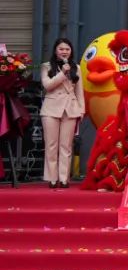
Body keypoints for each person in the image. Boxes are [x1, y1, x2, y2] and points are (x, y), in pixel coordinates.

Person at [40, 38, 84, 188]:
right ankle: (52, 178)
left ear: (71, 51)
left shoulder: (76, 67)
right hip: (51, 108)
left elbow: (80, 91)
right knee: (51, 145)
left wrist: (81, 109)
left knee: (66, 146)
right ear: (55, 51)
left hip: (70, 109)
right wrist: (62, 73)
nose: (64, 51)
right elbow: (47, 85)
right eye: (61, 49)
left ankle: (64, 178)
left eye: (67, 49)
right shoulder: (46, 67)